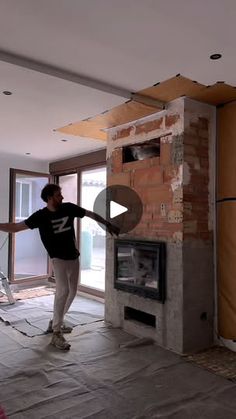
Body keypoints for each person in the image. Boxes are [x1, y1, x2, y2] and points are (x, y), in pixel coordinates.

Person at [0, 183, 118, 351]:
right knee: (62, 291)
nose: (62, 197)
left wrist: (107, 223)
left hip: (73, 257)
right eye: (58, 195)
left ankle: (56, 321)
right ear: (49, 198)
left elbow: (90, 214)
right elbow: (16, 228)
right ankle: (56, 333)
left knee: (72, 292)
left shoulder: (68, 208)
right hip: (58, 259)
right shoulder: (40, 216)